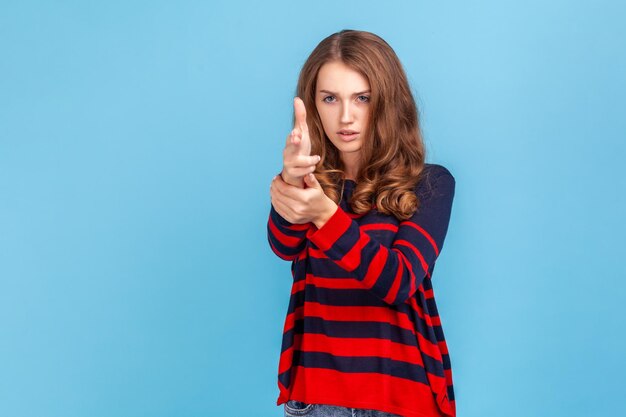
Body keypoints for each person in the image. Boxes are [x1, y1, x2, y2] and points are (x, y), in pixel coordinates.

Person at [267, 29, 457, 417]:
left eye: (362, 98)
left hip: (401, 400)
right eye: (330, 98)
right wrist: (291, 180)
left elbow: (398, 282)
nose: (346, 116)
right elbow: (282, 245)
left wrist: (324, 214)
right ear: (313, 104)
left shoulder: (430, 183)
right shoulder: (311, 183)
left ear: (387, 101)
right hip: (317, 400)